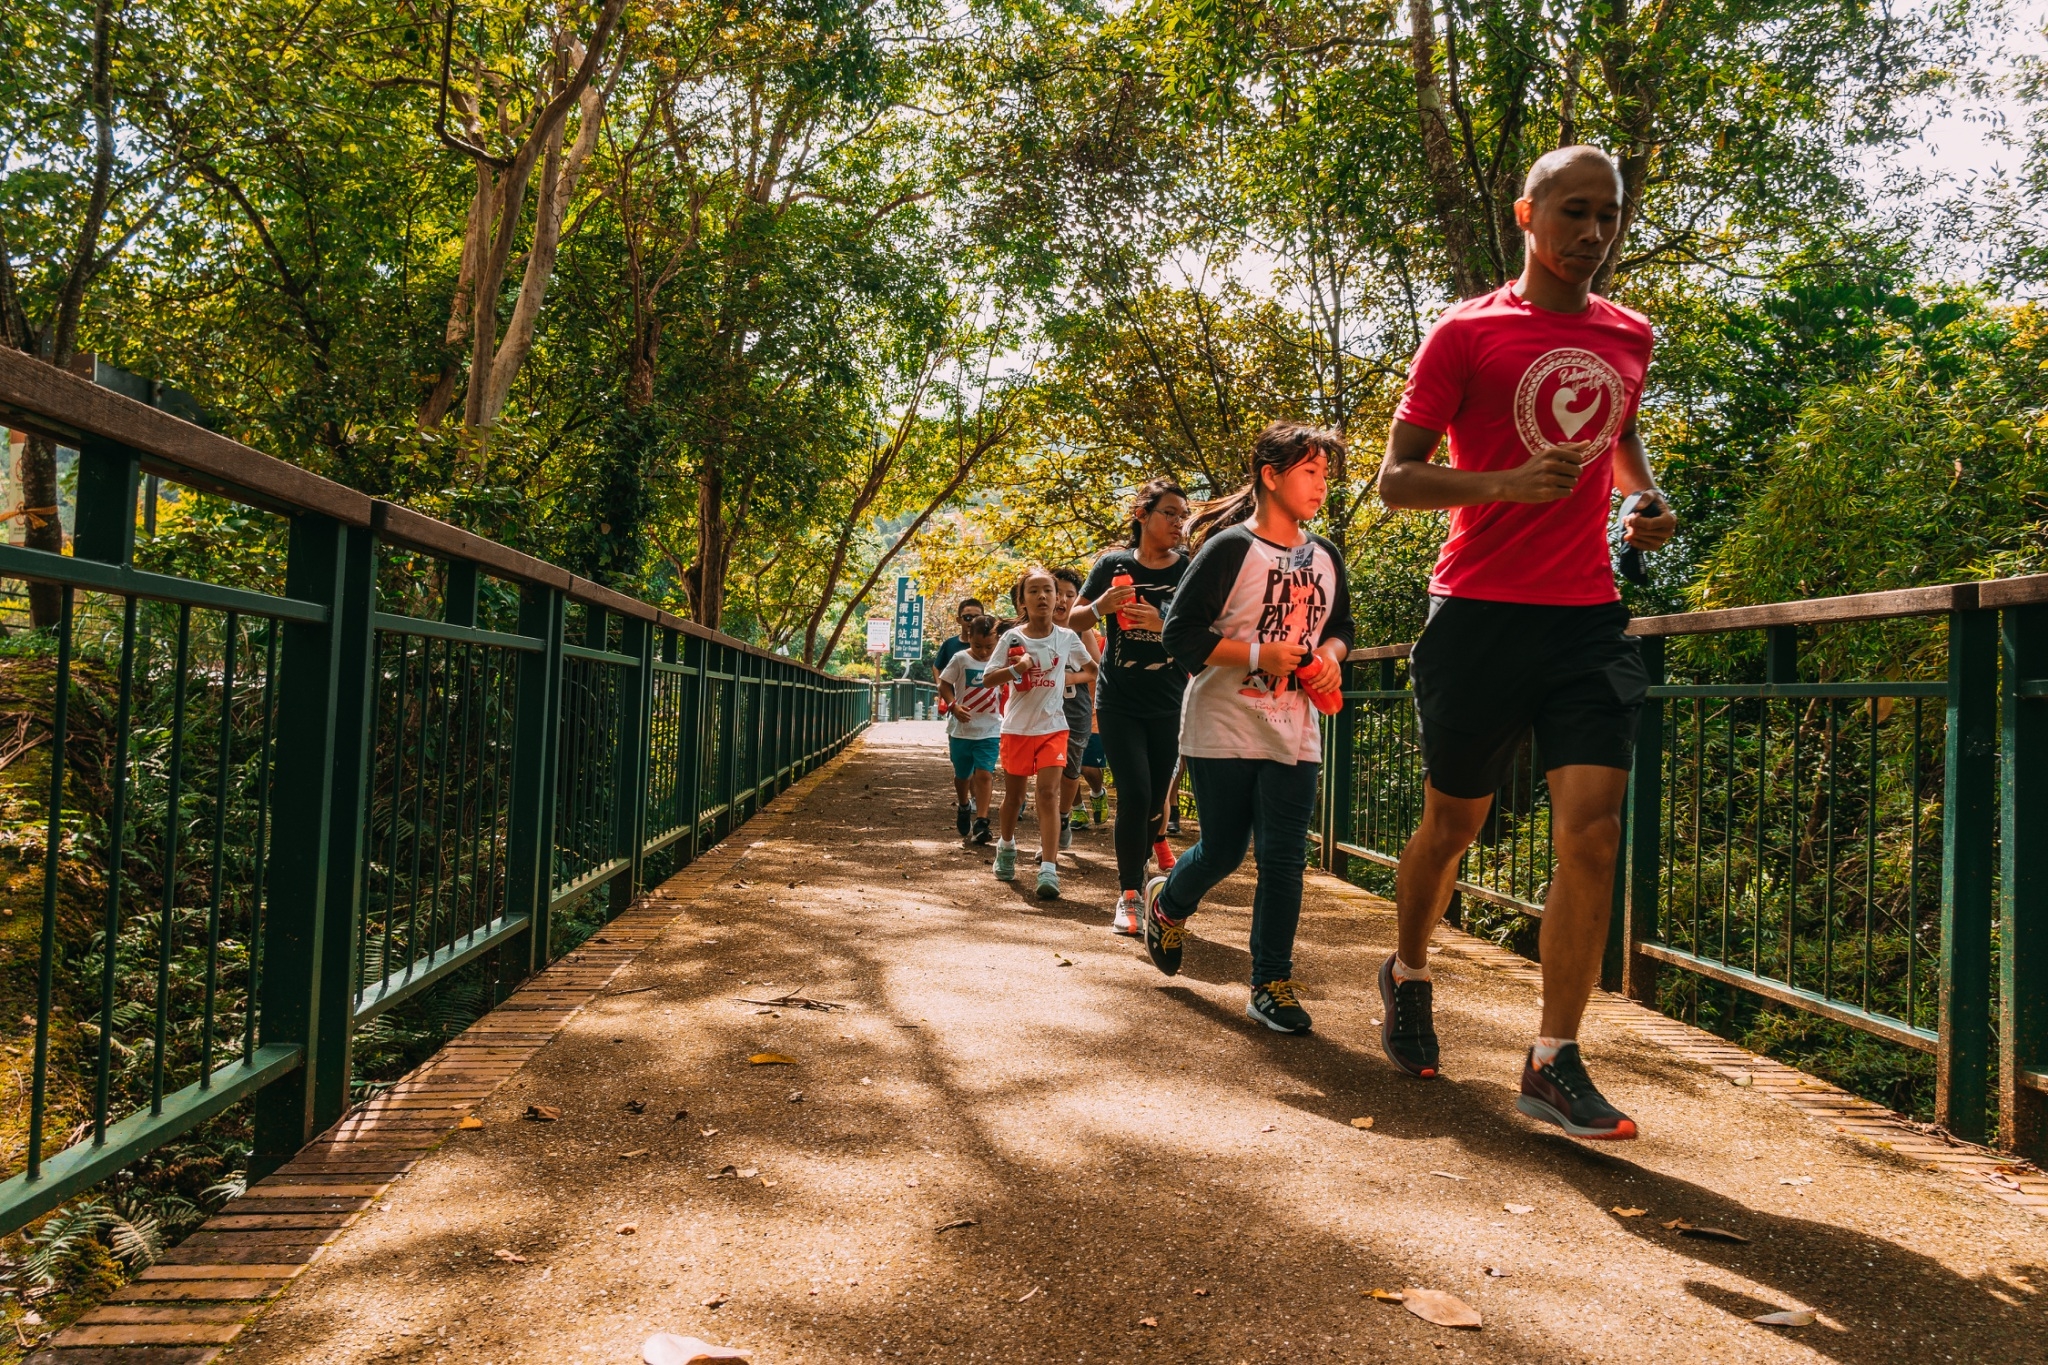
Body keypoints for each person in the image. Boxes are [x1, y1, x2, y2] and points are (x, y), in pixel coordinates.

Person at [1374, 145, 1677, 1141]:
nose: (1592, 234)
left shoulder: (1628, 335)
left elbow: (1620, 435)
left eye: (1609, 216)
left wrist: (1641, 498)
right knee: (1452, 827)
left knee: (1591, 833)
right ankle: (1407, 966)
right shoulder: (1464, 334)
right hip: (1476, 614)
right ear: (1526, 215)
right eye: (1575, 212)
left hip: (1583, 618)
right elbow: (1397, 480)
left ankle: (1552, 1060)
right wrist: (1501, 485)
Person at [1141, 422, 1353, 1035]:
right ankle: (1169, 901)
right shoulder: (1231, 549)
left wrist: (1331, 657)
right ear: (1272, 475)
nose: (1321, 486)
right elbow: (1181, 635)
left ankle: (1270, 983)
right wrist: (1260, 655)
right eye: (1310, 473)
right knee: (1226, 850)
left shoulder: (1326, 555)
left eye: (1324, 475)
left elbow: (1341, 626)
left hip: (1296, 728)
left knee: (1285, 858)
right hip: (1224, 721)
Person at [1073, 479, 1192, 935]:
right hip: (1120, 700)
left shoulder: (1188, 568)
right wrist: (1100, 605)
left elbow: (1204, 628)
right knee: (1136, 794)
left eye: (1183, 515)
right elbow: (1073, 619)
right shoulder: (1112, 564)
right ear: (1143, 514)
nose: (1179, 523)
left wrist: (1164, 622)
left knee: (1154, 805)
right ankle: (1128, 894)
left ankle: (1144, 879)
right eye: (1170, 513)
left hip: (1168, 701)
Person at [982, 570, 1097, 898]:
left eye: (1050, 591)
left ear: (1059, 598)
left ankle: (1048, 869)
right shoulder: (1013, 639)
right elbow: (989, 679)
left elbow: (1091, 670)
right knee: (1015, 798)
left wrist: (1065, 681)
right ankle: (1006, 846)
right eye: (1035, 591)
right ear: (1023, 600)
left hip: (1053, 727)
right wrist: (1016, 669)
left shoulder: (1067, 638)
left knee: (1047, 794)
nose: (1045, 597)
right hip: (1017, 728)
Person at [936, 613, 1003, 844]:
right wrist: (953, 706)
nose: (983, 652)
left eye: (989, 647)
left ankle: (982, 822)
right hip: (961, 730)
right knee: (962, 775)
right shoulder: (960, 659)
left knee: (984, 773)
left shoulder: (1001, 660)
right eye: (977, 646)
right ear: (969, 638)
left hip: (990, 728)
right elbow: (943, 684)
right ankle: (964, 805)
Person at [1051, 567, 1104, 851]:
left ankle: (1064, 817)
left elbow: (1096, 670)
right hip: (1043, 712)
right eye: (1056, 592)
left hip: (1077, 711)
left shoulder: (1082, 632)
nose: (1061, 600)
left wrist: (1070, 677)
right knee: (1049, 773)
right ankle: (1051, 836)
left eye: (1069, 595)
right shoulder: (1033, 630)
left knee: (1072, 771)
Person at [934, 598, 986, 831]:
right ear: (959, 620)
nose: (972, 621)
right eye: (967, 617)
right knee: (962, 767)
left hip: (987, 720)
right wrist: (947, 695)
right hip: (958, 712)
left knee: (983, 767)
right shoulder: (952, 646)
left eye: (976, 617)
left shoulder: (993, 645)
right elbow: (939, 669)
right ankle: (965, 803)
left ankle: (980, 813)